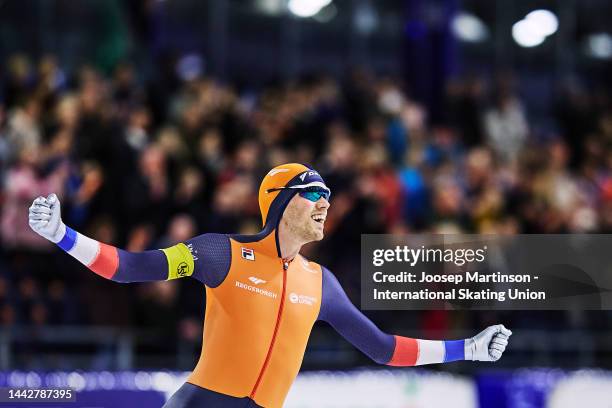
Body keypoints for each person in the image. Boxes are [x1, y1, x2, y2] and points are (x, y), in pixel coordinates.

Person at [29, 163, 511, 408]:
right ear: (280, 203)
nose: (327, 204)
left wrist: (468, 348)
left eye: (329, 196)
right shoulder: (219, 253)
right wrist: (62, 235)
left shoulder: (321, 283)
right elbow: (131, 267)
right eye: (315, 194)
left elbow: (384, 349)